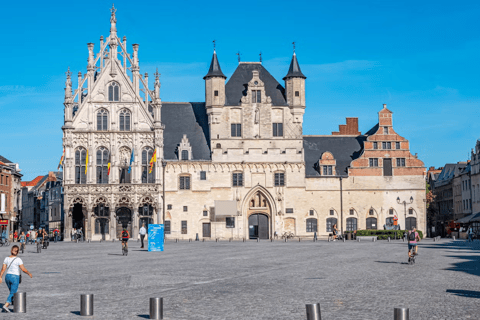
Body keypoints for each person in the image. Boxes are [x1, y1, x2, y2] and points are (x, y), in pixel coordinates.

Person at [0, 245, 33, 312]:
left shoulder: (6, 258)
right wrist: (29, 273)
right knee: (13, 292)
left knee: (11, 291)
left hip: (7, 277)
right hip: (15, 277)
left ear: (11, 251)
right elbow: (23, 269)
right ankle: (6, 305)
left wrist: (0, 277)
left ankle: (13, 302)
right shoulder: (18, 259)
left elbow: (3, 269)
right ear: (17, 252)